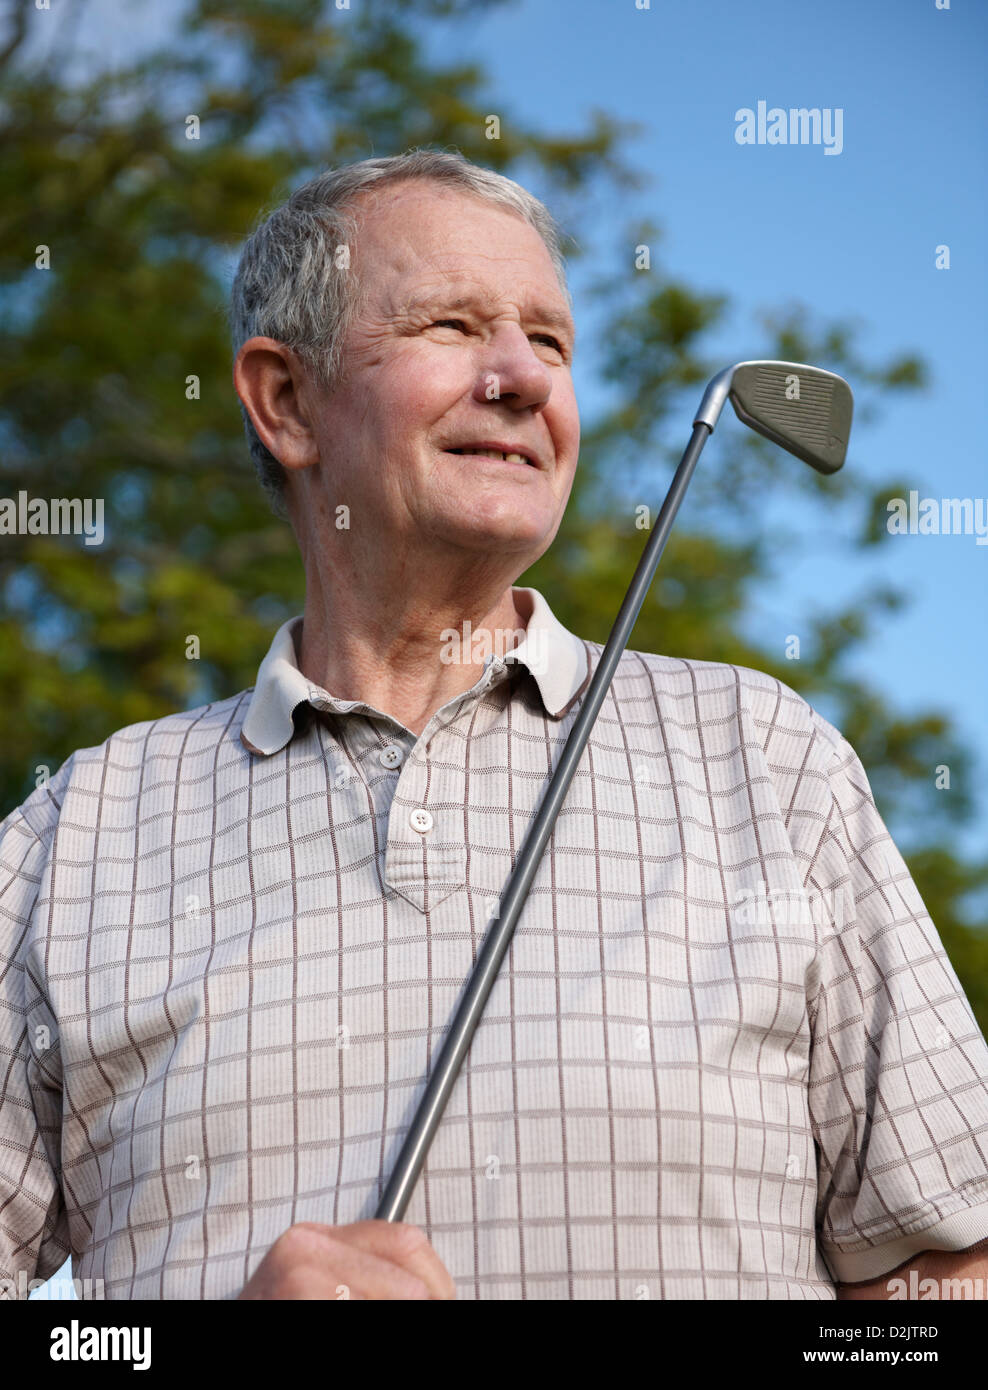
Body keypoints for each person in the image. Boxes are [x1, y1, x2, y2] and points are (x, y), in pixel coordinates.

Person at [2, 150, 987, 1302]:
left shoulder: (766, 759)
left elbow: (946, 1274)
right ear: (284, 400)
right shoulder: (74, 836)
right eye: (453, 325)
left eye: (552, 341)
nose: (522, 376)